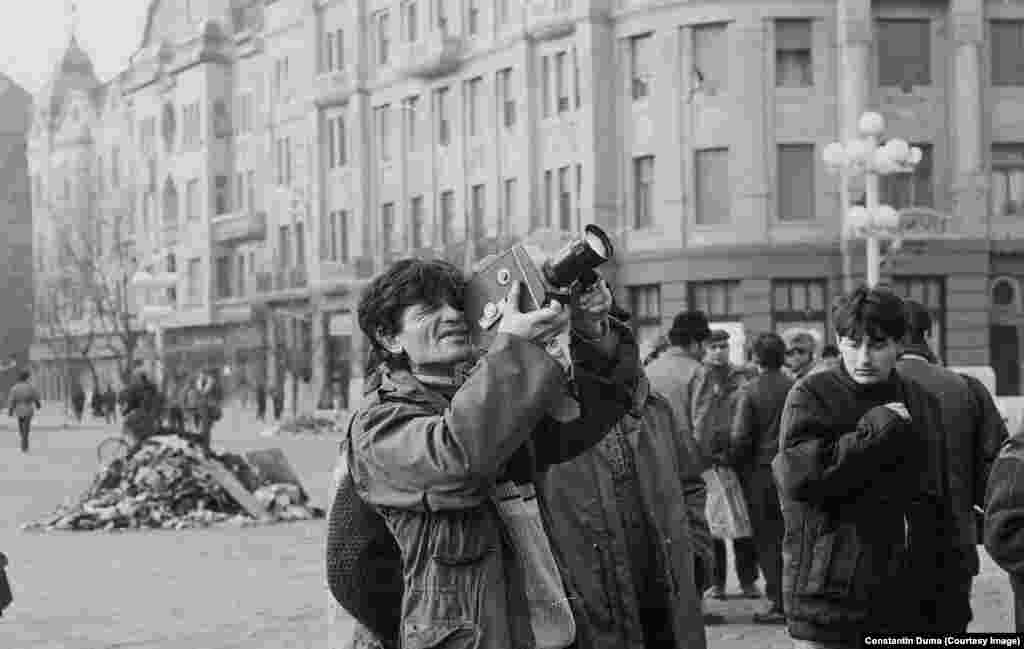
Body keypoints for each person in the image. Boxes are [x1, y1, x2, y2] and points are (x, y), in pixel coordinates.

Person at [345, 258, 640, 649]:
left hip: (545, 630)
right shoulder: (377, 424)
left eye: (455, 304)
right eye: (429, 310)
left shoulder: (490, 395)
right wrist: (514, 348)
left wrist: (591, 330)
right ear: (389, 338)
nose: (451, 316)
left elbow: (582, 421)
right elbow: (457, 459)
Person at [773, 285, 936, 647]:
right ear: (838, 340)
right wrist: (875, 428)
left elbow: (930, 490)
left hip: (896, 590)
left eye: (877, 345)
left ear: (899, 343)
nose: (863, 357)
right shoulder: (811, 393)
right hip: (824, 590)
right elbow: (797, 477)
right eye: (852, 343)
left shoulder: (918, 398)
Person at [542, 303, 711, 649]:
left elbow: (690, 484)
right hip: (596, 601)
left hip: (667, 591)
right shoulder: (545, 422)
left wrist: (696, 554)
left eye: (608, 329)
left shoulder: (655, 408)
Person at [896, 299, 1007, 632]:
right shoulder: (966, 388)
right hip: (953, 541)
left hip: (887, 547)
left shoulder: (866, 388)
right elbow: (995, 470)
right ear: (928, 333)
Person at [726, 332, 793, 624]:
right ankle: (793, 597)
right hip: (791, 469)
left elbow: (741, 437)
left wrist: (732, 463)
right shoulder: (796, 386)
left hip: (760, 474)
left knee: (766, 539)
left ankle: (778, 602)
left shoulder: (750, 391)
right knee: (790, 537)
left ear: (755, 358)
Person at [690, 329, 759, 601]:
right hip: (709, 461)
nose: (719, 351)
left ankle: (748, 580)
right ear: (705, 349)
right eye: (714, 346)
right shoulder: (699, 375)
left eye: (723, 346)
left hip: (737, 459)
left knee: (744, 525)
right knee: (713, 527)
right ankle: (717, 584)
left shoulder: (741, 376)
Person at [645, 311, 711, 432]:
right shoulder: (699, 373)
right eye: (706, 344)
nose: (706, 351)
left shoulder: (648, 370)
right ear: (695, 343)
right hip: (686, 448)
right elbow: (701, 428)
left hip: (652, 448)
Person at [8, 370, 41, 453]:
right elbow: (35, 397)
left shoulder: (14, 388)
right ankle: (24, 444)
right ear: (26, 378)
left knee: (21, 429)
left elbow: (12, 400)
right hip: (28, 409)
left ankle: (24, 443)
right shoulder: (30, 387)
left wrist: (10, 410)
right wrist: (38, 404)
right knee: (26, 428)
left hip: (19, 410)